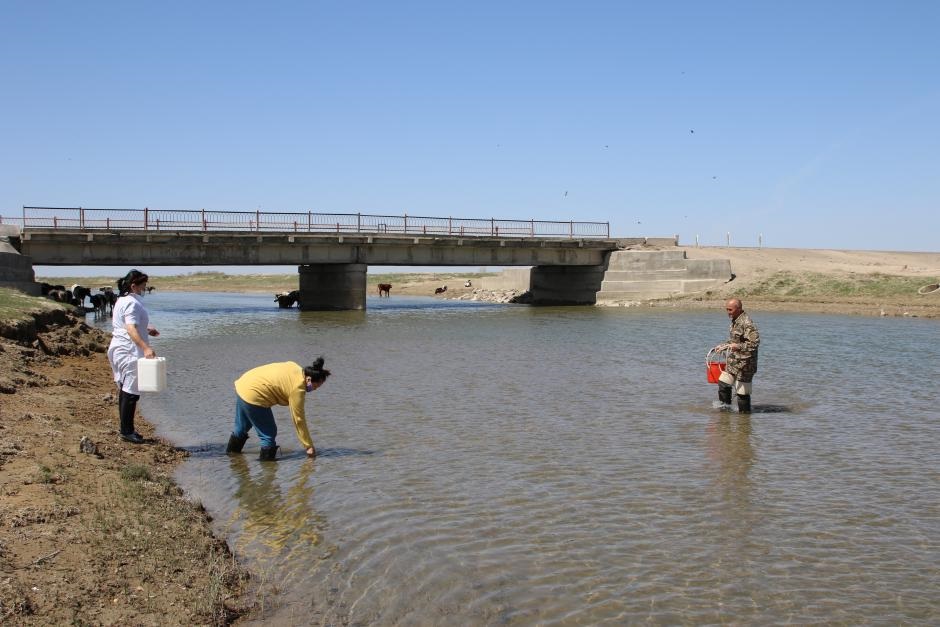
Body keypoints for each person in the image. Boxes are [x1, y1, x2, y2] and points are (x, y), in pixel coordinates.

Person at [226, 357, 331, 461]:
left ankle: (232, 459)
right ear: (308, 379)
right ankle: (267, 470)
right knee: (268, 434)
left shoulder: (294, 366)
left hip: (244, 385)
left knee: (241, 428)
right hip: (255, 394)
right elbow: (298, 420)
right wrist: (308, 446)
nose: (314, 390)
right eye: (315, 386)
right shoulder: (298, 389)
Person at [107, 269, 159, 443]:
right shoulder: (132, 303)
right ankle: (127, 432)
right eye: (143, 286)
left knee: (125, 389)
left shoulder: (121, 300)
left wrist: (146, 329)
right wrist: (145, 348)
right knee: (131, 392)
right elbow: (130, 328)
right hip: (129, 351)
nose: (144, 289)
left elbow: (126, 325)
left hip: (119, 349)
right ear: (133, 286)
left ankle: (125, 429)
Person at [715, 298, 760, 413]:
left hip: (746, 365)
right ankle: (725, 413)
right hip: (734, 362)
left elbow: (754, 343)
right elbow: (734, 340)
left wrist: (738, 347)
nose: (728, 312)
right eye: (727, 309)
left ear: (739, 309)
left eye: (730, 310)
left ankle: (744, 419)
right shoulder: (736, 320)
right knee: (723, 385)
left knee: (742, 393)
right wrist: (723, 346)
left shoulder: (747, 323)